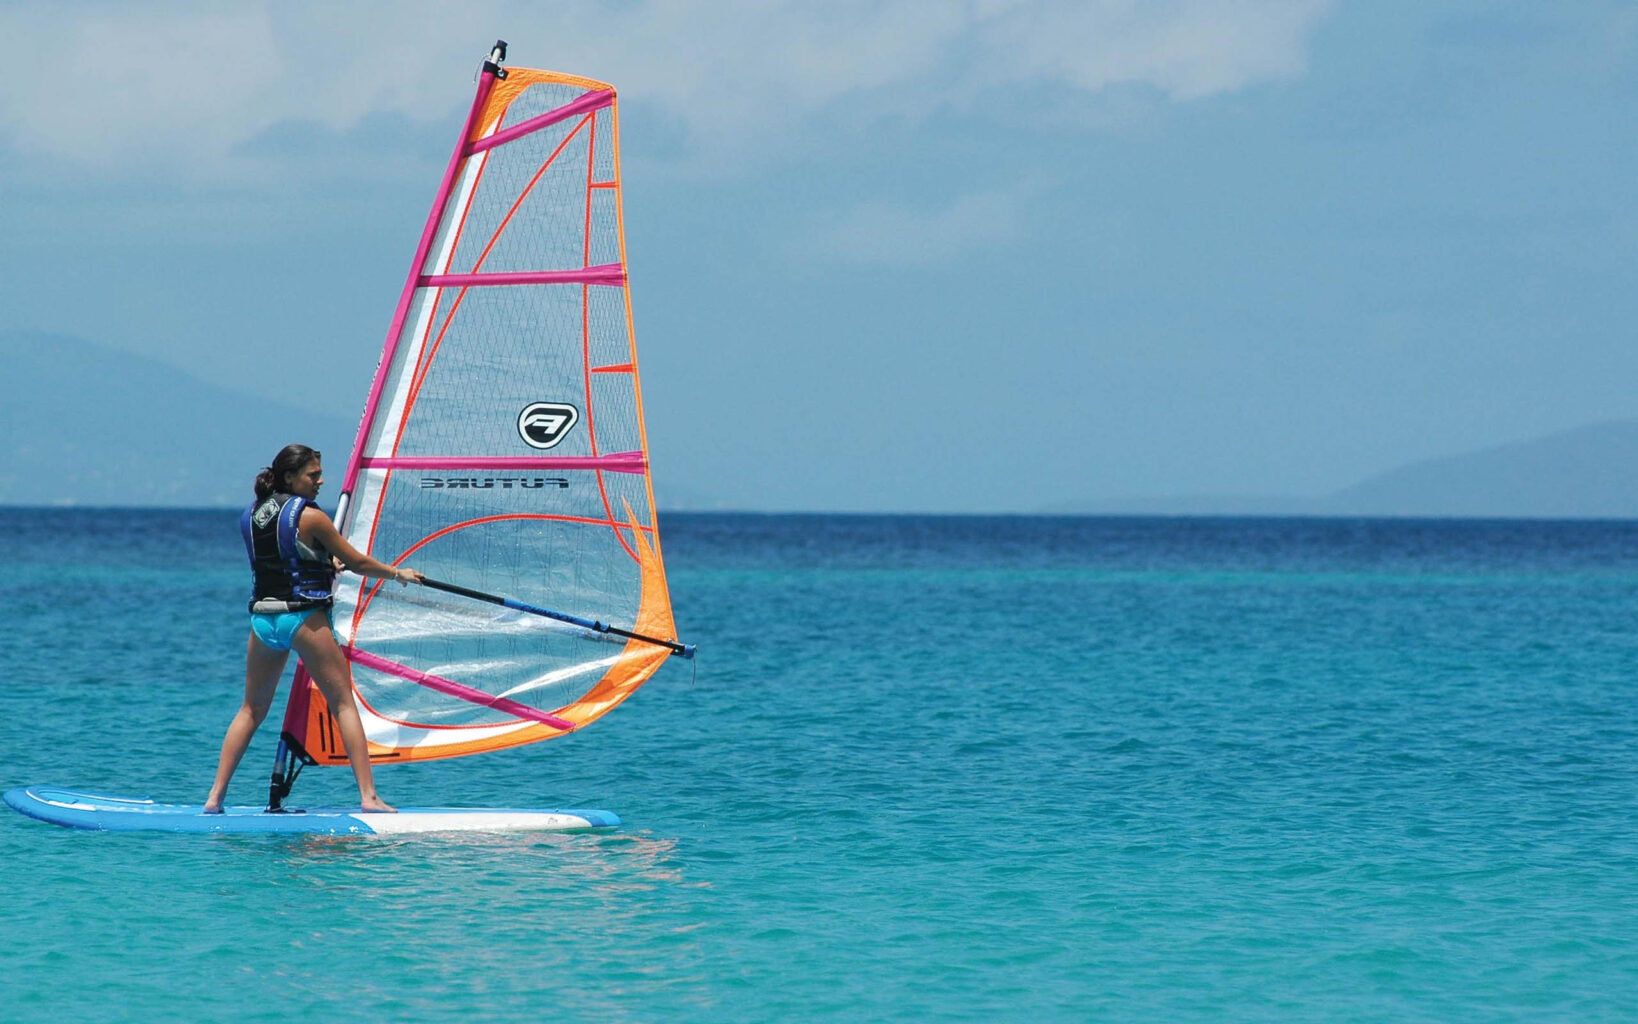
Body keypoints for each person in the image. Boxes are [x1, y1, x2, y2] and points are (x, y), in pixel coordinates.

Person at [204, 444, 424, 813]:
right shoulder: (312, 517)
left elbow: (287, 555)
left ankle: (214, 798)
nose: (320, 481)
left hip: (263, 620)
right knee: (343, 704)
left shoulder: (251, 514)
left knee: (251, 710)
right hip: (303, 618)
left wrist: (324, 561)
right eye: (313, 475)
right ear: (291, 477)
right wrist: (396, 573)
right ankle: (369, 797)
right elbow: (356, 561)